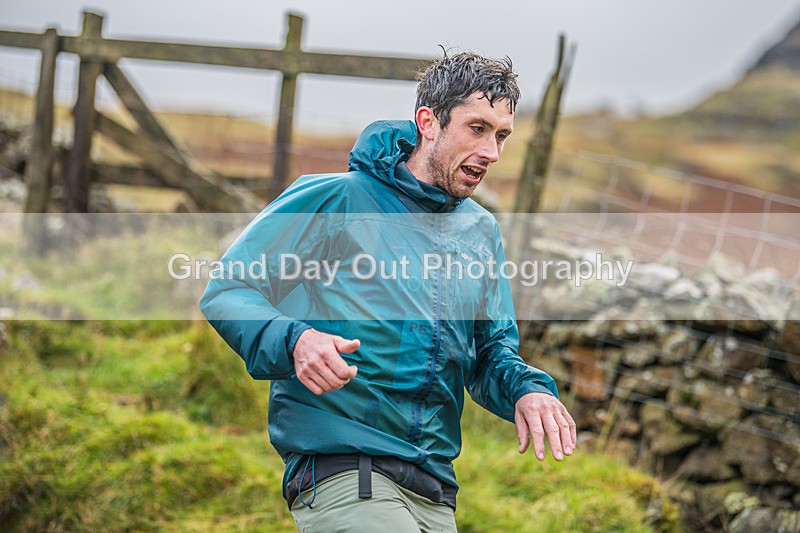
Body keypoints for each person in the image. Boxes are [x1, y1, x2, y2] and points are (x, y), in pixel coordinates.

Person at [200, 51, 576, 532]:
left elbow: (488, 352)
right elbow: (229, 287)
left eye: (502, 135)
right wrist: (295, 339)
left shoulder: (481, 232)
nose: (492, 152)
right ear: (429, 123)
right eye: (477, 129)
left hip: (434, 486)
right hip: (344, 466)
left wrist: (526, 390)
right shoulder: (338, 199)